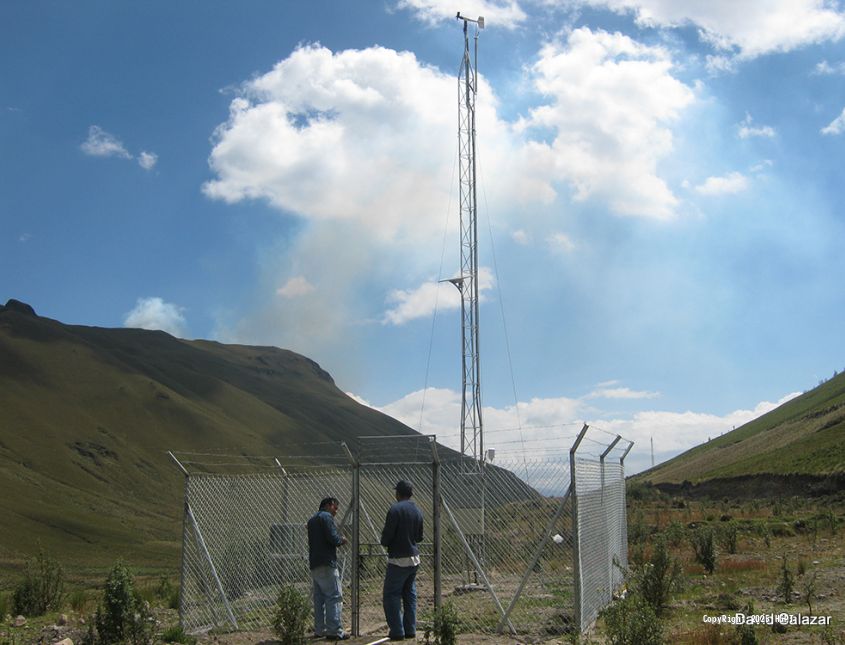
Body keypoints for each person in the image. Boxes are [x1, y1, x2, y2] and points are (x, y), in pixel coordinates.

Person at [380, 480, 424, 641]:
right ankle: (410, 629)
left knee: (391, 595)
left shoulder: (395, 509)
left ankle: (397, 631)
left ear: (398, 493)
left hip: (398, 559)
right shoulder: (418, 511)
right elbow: (419, 537)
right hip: (414, 559)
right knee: (409, 594)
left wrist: (385, 542)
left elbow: (387, 535)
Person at [307, 497, 349, 640]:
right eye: (335, 508)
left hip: (315, 563)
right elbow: (332, 538)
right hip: (327, 562)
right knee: (334, 596)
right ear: (328, 505)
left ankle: (320, 629)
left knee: (319, 598)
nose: (336, 512)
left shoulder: (312, 520)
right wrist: (341, 540)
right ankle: (334, 631)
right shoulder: (326, 517)